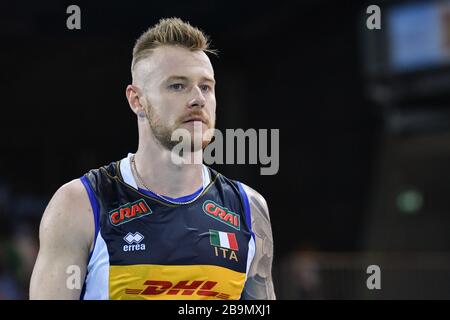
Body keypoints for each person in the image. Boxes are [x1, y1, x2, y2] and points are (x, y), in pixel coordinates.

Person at [29, 18, 275, 300]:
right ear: (137, 100)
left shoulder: (249, 208)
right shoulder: (80, 203)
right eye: (177, 86)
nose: (198, 99)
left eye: (206, 87)